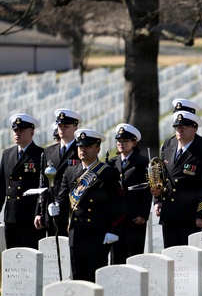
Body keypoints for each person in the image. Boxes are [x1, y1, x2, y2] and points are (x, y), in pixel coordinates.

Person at [49, 129, 123, 282]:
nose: (83, 150)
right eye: (80, 146)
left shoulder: (108, 172)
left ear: (97, 148)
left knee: (95, 279)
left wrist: (113, 230)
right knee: (78, 278)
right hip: (76, 234)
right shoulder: (70, 171)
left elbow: (118, 204)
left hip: (98, 234)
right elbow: (63, 197)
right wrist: (56, 206)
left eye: (87, 146)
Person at [154, 110, 202, 248]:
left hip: (189, 216)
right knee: (170, 257)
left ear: (194, 129)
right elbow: (162, 179)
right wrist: (157, 199)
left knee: (188, 261)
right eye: (177, 127)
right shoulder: (167, 151)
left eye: (183, 127)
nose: (179, 130)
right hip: (169, 215)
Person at [0, 113, 44, 250]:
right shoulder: (7, 154)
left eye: (21, 130)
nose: (17, 133)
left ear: (31, 132)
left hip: (30, 217)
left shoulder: (40, 155)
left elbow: (43, 188)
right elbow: (1, 186)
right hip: (11, 216)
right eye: (15, 130)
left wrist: (40, 213)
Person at [35, 108, 82, 238]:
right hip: (52, 209)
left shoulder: (82, 150)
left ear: (75, 127)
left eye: (66, 126)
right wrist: (39, 212)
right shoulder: (48, 152)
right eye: (60, 126)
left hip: (72, 211)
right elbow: (42, 185)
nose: (61, 129)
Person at [110, 123, 151, 264]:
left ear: (134, 142)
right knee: (117, 256)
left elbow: (147, 191)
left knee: (134, 255)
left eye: (125, 141)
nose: (121, 144)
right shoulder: (112, 162)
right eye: (119, 141)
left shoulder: (141, 162)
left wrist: (143, 215)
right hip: (117, 218)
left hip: (134, 216)